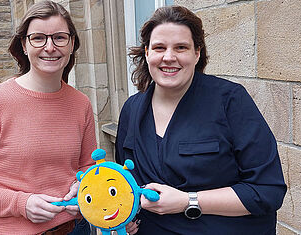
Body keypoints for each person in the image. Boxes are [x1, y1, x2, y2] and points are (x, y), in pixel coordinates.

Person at [115, 5, 287, 235]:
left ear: (197, 53)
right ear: (147, 53)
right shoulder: (132, 110)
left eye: (181, 47)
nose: (169, 57)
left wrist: (189, 200)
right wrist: (125, 216)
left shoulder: (230, 101)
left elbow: (267, 190)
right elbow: (126, 184)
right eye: (159, 47)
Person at [0, 1, 96, 234]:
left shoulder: (81, 103)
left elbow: (88, 166)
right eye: (38, 38)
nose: (49, 46)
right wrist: (21, 204)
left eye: (59, 37)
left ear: (72, 43)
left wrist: (83, 186)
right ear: (24, 45)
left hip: (75, 228)